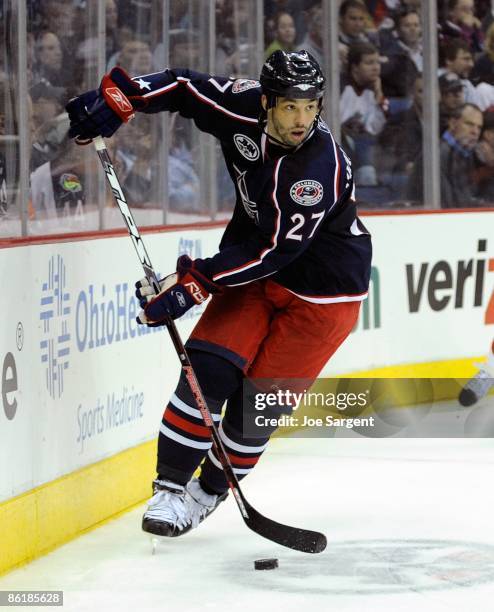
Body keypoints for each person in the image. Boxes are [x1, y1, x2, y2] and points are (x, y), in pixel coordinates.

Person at [65, 50, 372, 538]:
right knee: (207, 369)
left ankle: (205, 494)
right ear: (267, 101)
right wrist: (125, 97)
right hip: (256, 273)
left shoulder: (317, 169)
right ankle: (168, 491)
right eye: (291, 107)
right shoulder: (243, 105)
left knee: (255, 410)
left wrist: (194, 282)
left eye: (311, 107)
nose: (302, 119)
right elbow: (185, 87)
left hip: (324, 297)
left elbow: (275, 252)